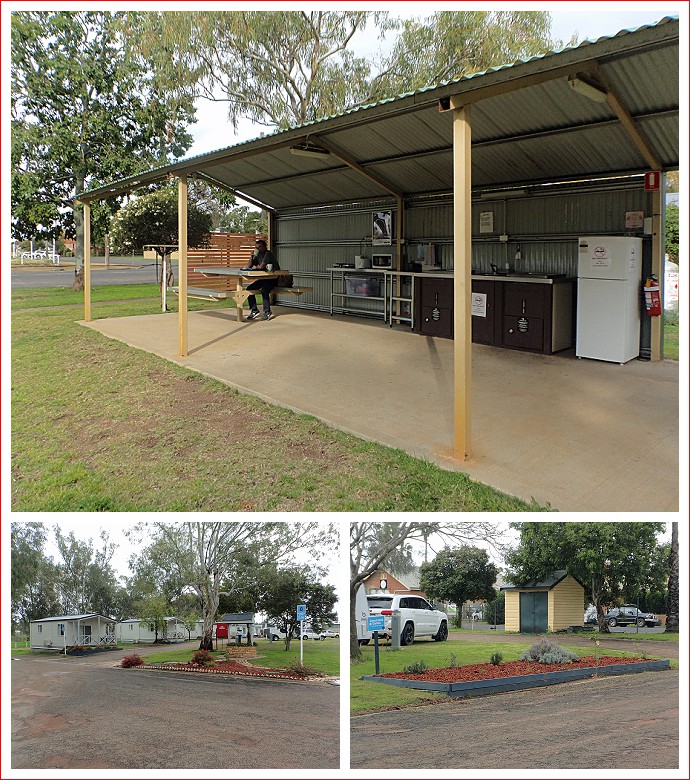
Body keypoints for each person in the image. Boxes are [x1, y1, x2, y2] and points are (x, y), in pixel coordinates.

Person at [243, 239, 280, 320]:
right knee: (250, 289)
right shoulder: (258, 255)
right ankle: (254, 310)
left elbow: (261, 267)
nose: (258, 249)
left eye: (260, 247)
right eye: (256, 248)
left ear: (265, 247)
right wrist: (251, 256)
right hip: (264, 278)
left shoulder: (268, 254)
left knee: (264, 290)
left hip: (273, 278)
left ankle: (267, 312)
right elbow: (249, 266)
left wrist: (257, 267)